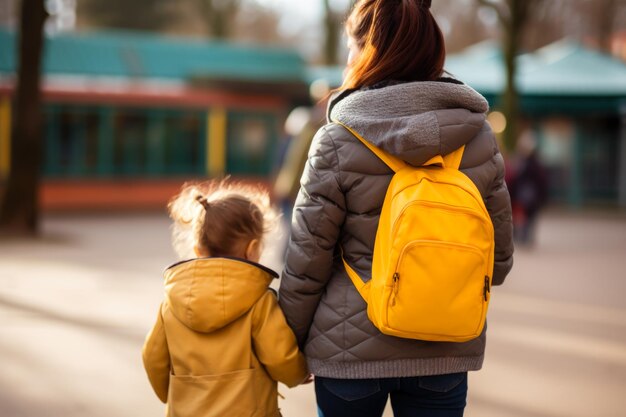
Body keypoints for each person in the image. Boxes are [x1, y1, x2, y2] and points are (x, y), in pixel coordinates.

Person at [278, 1, 514, 416]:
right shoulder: (478, 139)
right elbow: (499, 262)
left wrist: (291, 341)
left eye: (352, 46)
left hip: (348, 354)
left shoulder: (337, 140)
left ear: (370, 51)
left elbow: (306, 263)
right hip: (445, 347)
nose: (348, 58)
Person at [142, 180, 310, 417]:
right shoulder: (258, 302)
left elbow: (152, 358)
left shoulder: (170, 305)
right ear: (252, 249)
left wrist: (171, 395)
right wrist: (298, 374)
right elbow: (279, 355)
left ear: (199, 249)